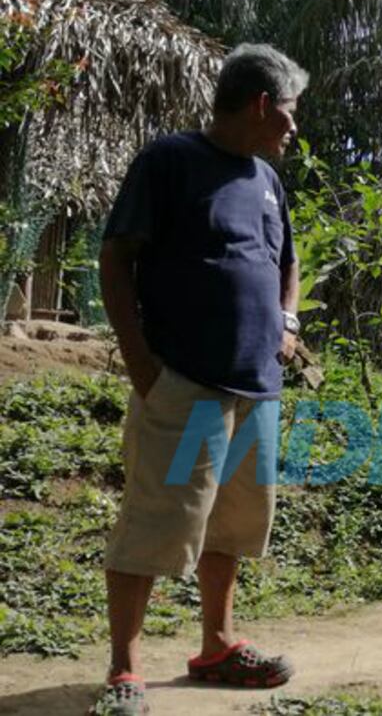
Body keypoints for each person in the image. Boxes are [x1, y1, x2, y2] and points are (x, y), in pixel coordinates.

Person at [92, 43, 307, 715]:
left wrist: (289, 324)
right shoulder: (169, 162)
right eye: (292, 114)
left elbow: (286, 264)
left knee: (235, 525)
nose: (296, 129)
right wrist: (144, 368)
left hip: (255, 388)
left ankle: (216, 644)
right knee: (157, 521)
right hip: (185, 386)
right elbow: (115, 260)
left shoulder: (267, 181)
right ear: (261, 104)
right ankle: (125, 670)